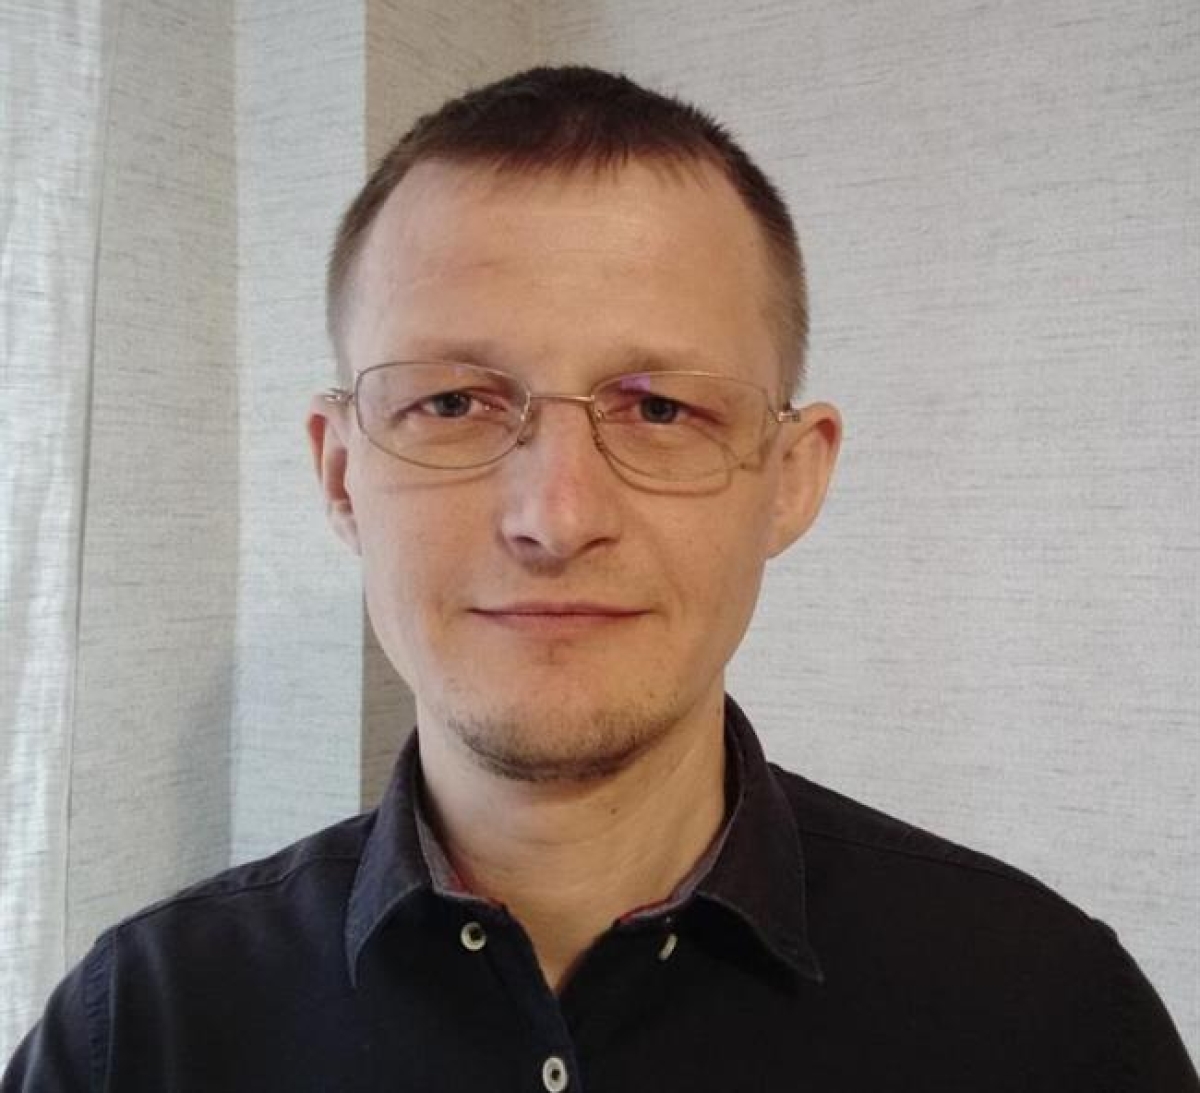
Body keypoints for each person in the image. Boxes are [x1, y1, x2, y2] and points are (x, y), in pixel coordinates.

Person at [4, 65, 1195, 1091]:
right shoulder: (138, 1036)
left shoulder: (1049, 1019)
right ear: (339, 474)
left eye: (661, 409)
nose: (557, 518)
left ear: (790, 478)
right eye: (454, 403)